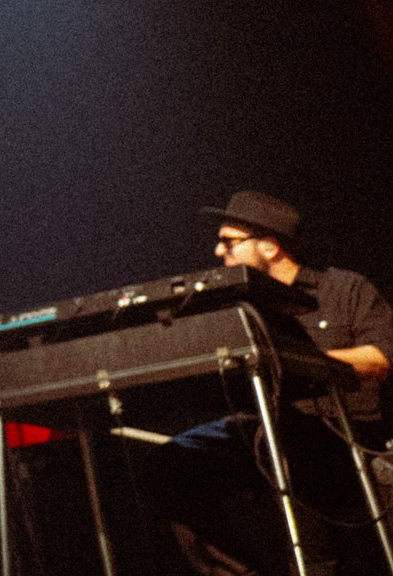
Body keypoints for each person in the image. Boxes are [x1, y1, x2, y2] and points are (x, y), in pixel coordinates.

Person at [164, 190, 393, 576]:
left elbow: (381, 358)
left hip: (340, 433)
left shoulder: (343, 288)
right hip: (266, 427)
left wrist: (300, 362)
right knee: (176, 458)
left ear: (270, 247)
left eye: (229, 242)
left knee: (289, 451)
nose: (219, 251)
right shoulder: (239, 305)